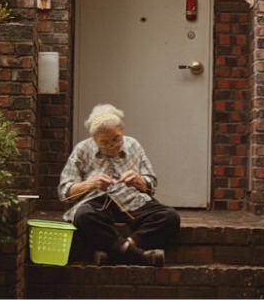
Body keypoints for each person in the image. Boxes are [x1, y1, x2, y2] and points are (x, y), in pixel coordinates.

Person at [57, 104, 180, 266]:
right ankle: (140, 256)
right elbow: (65, 193)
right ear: (94, 140)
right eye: (104, 143)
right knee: (83, 217)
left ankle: (117, 252)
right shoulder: (82, 149)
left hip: (132, 200)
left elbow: (151, 186)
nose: (112, 146)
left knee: (170, 217)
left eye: (117, 139)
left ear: (122, 131)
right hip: (97, 202)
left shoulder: (133, 145)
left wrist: (138, 181)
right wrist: (90, 184)